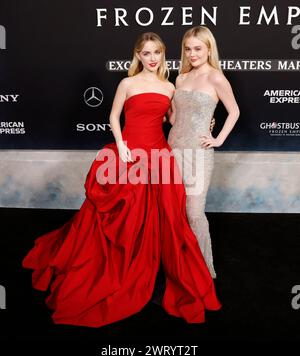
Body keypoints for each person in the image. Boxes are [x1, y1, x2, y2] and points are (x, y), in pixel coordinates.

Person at [22, 32, 221, 328]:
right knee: (118, 213)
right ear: (138, 55)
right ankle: (119, 263)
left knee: (161, 214)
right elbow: (114, 116)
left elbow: (175, 119)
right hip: (129, 153)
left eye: (156, 53)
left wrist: (208, 124)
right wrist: (122, 144)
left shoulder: (169, 86)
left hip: (158, 155)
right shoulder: (127, 83)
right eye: (146, 53)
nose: (152, 58)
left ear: (162, 55)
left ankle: (152, 262)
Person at [168, 26, 240, 278]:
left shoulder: (216, 78)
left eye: (197, 48)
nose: (192, 54)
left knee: (194, 212)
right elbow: (175, 117)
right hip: (173, 149)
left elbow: (234, 111)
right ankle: (178, 263)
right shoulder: (181, 78)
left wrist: (217, 138)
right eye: (187, 49)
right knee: (174, 210)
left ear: (209, 49)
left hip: (199, 153)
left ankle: (202, 269)